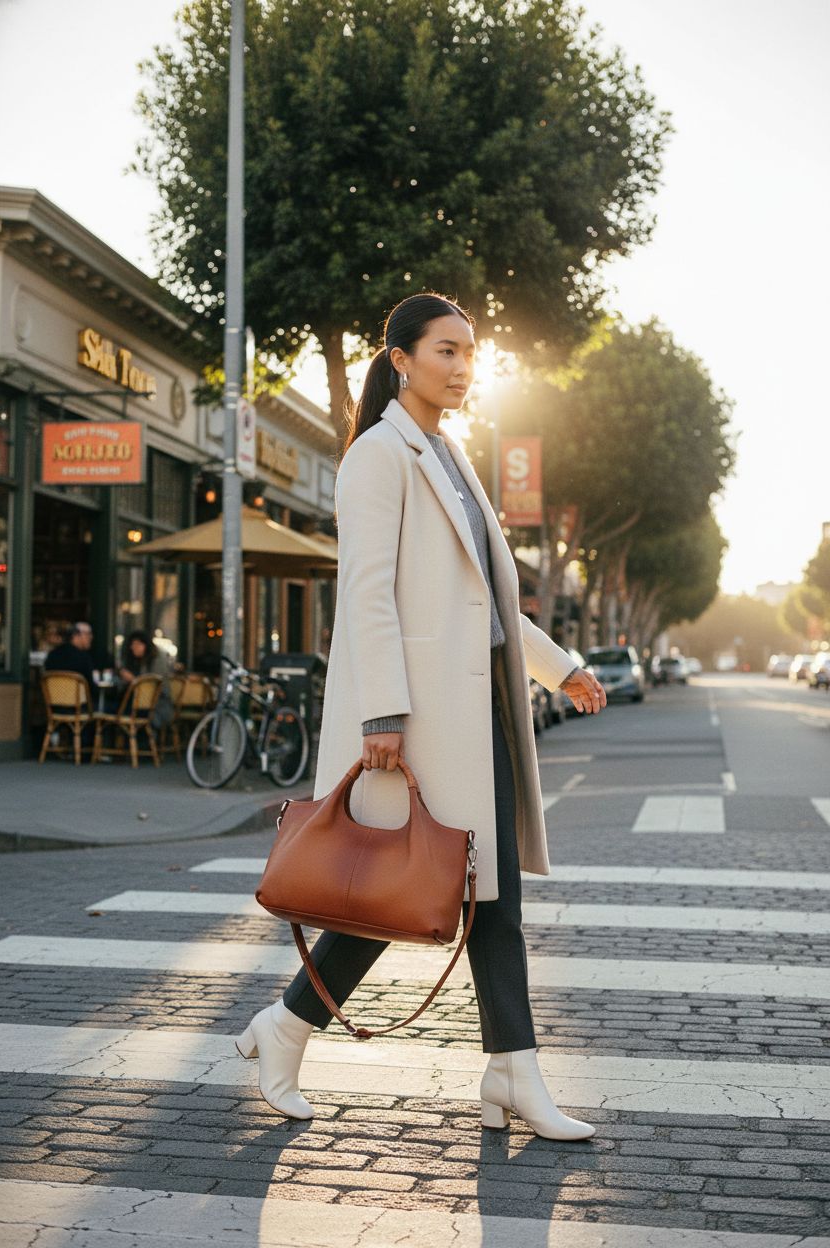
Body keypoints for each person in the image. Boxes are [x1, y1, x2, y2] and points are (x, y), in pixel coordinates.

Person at [236, 293, 607, 1140]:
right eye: (445, 350)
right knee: (406, 891)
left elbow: (489, 600)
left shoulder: (450, 455)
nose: (462, 366)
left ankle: (496, 1068)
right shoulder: (380, 454)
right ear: (400, 358)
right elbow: (365, 593)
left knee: (484, 893)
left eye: (470, 352)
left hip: (481, 713)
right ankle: (304, 1031)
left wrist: (563, 668)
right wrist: (381, 716)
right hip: (422, 717)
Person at [117, 630, 174, 730]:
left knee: (113, 709)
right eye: (132, 644)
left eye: (137, 644)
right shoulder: (131, 662)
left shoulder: (156, 662)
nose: (133, 647)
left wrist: (133, 680)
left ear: (145, 645)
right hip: (135, 704)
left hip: (154, 707)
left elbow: (153, 688)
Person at [44, 621, 99, 708]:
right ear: (75, 635)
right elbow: (91, 688)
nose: (91, 637)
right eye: (88, 634)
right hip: (81, 708)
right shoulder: (84, 658)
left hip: (55, 708)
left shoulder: (52, 655)